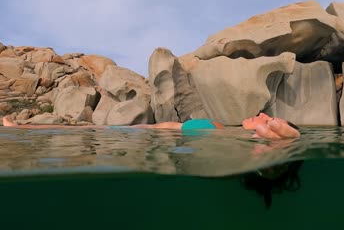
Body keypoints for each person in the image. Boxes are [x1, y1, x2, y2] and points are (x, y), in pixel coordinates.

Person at [2, 113, 300, 140]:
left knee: (79, 130)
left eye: (265, 116)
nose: (260, 114)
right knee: (82, 129)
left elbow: (261, 143)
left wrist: (283, 142)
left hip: (147, 136)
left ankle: (20, 129)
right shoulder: (224, 127)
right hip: (151, 132)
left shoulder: (238, 134)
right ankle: (19, 127)